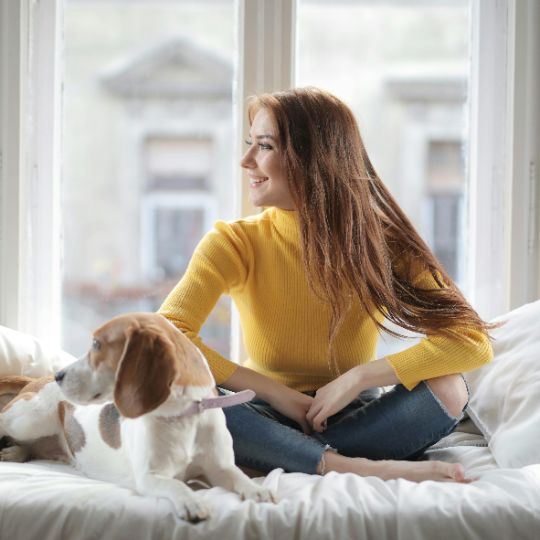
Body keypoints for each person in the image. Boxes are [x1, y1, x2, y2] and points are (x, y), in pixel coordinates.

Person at [159, 87, 495, 483]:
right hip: (262, 411)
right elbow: (168, 333)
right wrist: (276, 393)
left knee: (449, 387)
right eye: (250, 144)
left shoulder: (384, 244)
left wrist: (358, 379)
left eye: (263, 146)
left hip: (359, 416)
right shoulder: (234, 242)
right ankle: (350, 466)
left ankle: (277, 456)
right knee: (182, 399)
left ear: (312, 159)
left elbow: (472, 341)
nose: (246, 160)